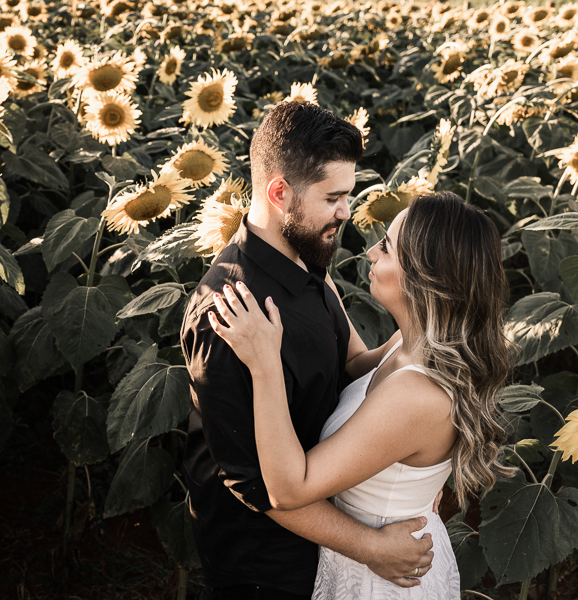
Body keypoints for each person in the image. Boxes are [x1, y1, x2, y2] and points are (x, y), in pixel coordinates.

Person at [180, 101, 436, 600]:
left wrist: (430, 328)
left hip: (325, 541)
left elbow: (351, 367)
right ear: (280, 193)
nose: (346, 212)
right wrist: (372, 547)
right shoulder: (231, 314)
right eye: (334, 197)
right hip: (266, 567)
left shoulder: (307, 268)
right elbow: (255, 485)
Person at [208, 191, 515, 598]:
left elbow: (289, 489)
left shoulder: (418, 393)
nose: (370, 252)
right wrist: (309, 267)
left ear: (424, 278)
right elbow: (355, 364)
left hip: (382, 578)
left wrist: (264, 364)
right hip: (369, 557)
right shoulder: (412, 345)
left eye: (386, 247)